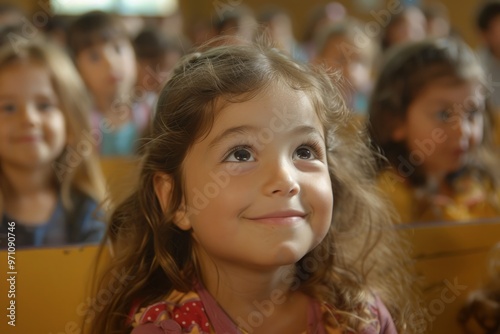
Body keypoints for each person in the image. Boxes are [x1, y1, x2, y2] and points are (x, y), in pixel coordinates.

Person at [88, 39, 419, 334]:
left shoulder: (359, 318)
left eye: (304, 151)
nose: (286, 180)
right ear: (175, 199)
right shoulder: (165, 329)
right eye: (241, 154)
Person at [369, 38, 500, 223]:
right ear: (395, 122)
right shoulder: (386, 200)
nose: (462, 131)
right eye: (443, 115)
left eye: (472, 112)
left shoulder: (480, 183)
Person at [0, 39, 106, 248]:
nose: (28, 119)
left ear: (70, 124)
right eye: (8, 108)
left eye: (44, 105)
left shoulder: (86, 211)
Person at [67, 10, 150, 156]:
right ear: (78, 70)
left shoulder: (152, 111)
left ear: (134, 55)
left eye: (118, 49)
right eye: (94, 57)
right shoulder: (79, 121)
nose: (110, 63)